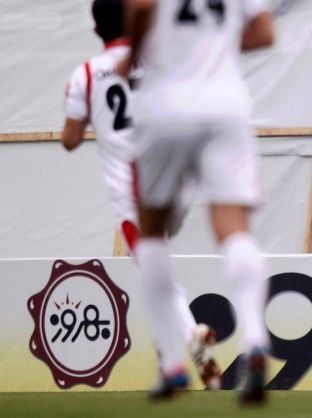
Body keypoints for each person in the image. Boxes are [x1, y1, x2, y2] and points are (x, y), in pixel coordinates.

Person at [62, 0, 222, 390]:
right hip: (178, 179)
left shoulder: (86, 75)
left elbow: (70, 139)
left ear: (96, 30)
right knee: (159, 264)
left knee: (155, 271)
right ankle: (185, 349)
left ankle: (183, 347)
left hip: (132, 195)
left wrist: (84, 112)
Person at [120, 0, 274, 403]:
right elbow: (264, 32)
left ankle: (172, 364)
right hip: (226, 105)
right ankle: (255, 339)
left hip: (165, 104)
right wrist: (214, 46)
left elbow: (142, 8)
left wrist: (134, 56)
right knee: (234, 226)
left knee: (151, 231)